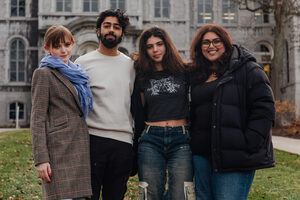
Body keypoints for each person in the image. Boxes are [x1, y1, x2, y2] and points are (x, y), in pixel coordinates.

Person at [189, 24, 275, 200]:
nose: (211, 46)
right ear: (199, 47)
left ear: (226, 43)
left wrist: (248, 142)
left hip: (234, 157)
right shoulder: (197, 75)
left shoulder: (247, 69)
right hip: (201, 156)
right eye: (205, 43)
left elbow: (265, 108)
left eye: (216, 41)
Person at [74, 9, 135, 200]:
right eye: (107, 26)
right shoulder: (82, 63)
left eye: (116, 27)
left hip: (123, 143)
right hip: (92, 140)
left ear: (122, 34)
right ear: (98, 31)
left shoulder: (132, 66)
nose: (111, 30)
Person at [30, 25, 93, 200]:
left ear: (73, 44)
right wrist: (41, 159)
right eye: (57, 46)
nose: (63, 50)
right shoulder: (43, 74)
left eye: (66, 44)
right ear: (47, 48)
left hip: (80, 149)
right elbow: (37, 119)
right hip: (59, 153)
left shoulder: (77, 73)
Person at [133, 26, 195, 200]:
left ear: (167, 45)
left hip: (181, 139)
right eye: (150, 46)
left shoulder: (184, 71)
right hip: (151, 139)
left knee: (181, 194)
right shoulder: (142, 75)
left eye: (159, 44)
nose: (155, 50)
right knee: (149, 194)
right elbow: (140, 109)